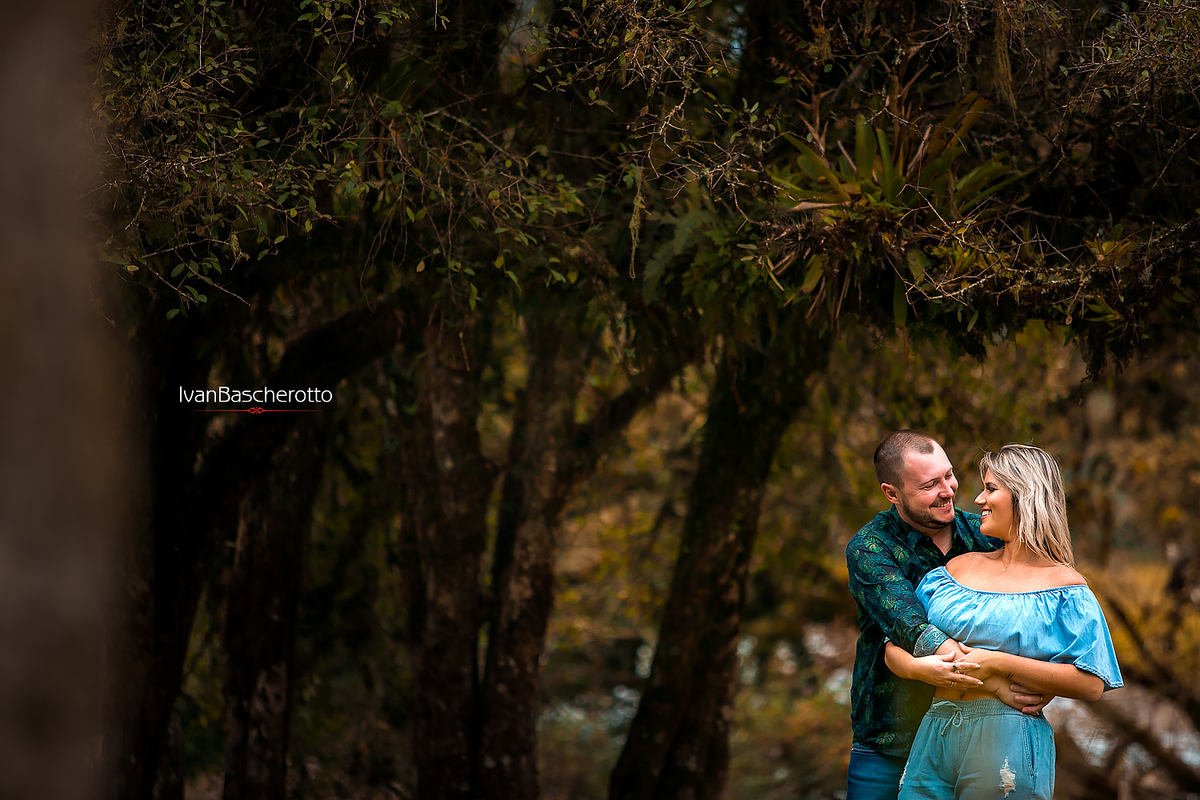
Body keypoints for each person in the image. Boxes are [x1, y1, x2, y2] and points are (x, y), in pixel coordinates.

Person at [885, 444, 1122, 799]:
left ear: (1025, 496)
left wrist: (998, 662)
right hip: (934, 731)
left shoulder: (1064, 587)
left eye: (991, 488)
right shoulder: (955, 569)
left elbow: (1091, 683)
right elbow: (893, 647)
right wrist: (918, 670)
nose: (978, 499)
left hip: (1008, 738)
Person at [845, 431, 1047, 800]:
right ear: (892, 493)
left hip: (982, 737)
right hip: (891, 739)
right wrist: (1000, 685)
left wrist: (1040, 684)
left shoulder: (987, 536)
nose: (948, 490)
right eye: (929, 485)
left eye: (948, 475)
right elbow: (913, 629)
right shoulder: (871, 548)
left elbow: (1040, 617)